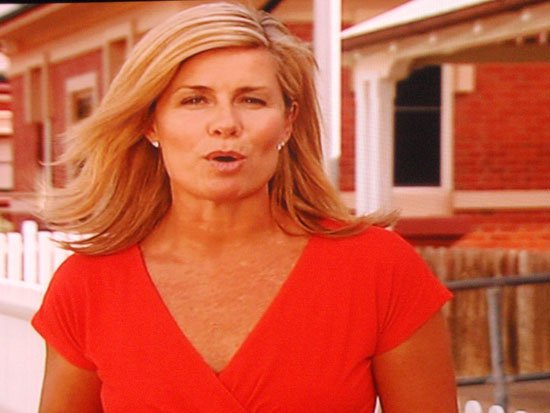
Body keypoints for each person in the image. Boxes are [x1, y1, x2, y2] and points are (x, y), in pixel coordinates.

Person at [32, 2, 458, 412]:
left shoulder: (379, 270)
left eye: (252, 100)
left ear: (287, 122)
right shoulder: (87, 286)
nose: (225, 124)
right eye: (195, 100)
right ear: (150, 122)